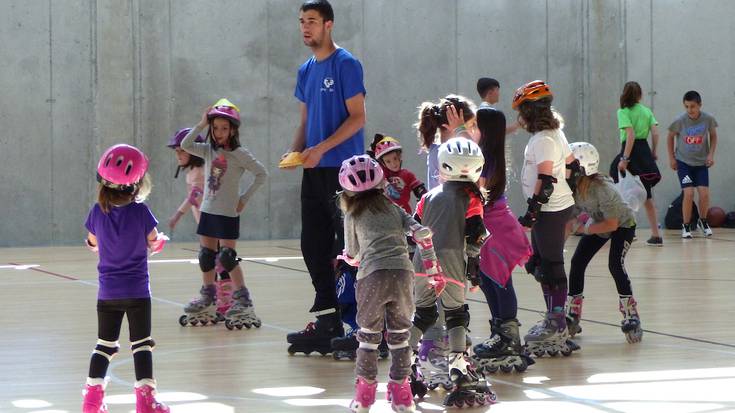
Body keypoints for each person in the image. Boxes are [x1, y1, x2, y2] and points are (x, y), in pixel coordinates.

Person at [284, 0, 367, 355]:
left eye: (312, 21)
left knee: (348, 249)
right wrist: (295, 152)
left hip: (344, 172)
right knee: (312, 245)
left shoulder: (346, 64)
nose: (306, 28)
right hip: (314, 170)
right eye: (302, 21)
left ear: (328, 25)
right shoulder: (305, 69)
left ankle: (360, 324)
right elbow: (305, 121)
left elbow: (357, 117)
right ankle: (328, 320)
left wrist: (323, 148)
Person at [409, 137, 496, 408]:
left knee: (423, 315)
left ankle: (405, 365)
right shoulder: (470, 198)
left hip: (422, 264)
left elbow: (415, 230)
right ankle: (458, 368)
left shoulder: (427, 196)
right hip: (452, 263)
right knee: (456, 315)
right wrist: (474, 270)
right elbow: (476, 235)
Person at [82, 144, 169, 413]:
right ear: (136, 185)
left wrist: (100, 244)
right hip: (138, 292)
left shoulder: (97, 212)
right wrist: (158, 243)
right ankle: (146, 402)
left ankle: (92, 400)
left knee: (104, 345)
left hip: (107, 292)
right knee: (141, 344)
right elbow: (153, 240)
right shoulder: (142, 212)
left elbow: (92, 242)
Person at [338, 155, 420, 412]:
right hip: (403, 275)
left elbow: (352, 253)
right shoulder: (393, 206)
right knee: (399, 337)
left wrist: (349, 258)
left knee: (369, 337)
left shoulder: (352, 214)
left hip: (372, 276)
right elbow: (413, 226)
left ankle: (364, 396)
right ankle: (401, 394)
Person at [179, 100, 268, 330]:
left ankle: (243, 301)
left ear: (233, 130)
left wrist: (243, 200)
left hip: (228, 213)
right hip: (208, 211)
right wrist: (201, 123)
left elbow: (261, 174)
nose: (219, 133)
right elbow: (186, 143)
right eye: (215, 128)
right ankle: (208, 298)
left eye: (224, 128)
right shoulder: (208, 150)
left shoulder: (239, 154)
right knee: (206, 257)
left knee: (227, 257)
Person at [515, 80, 579, 357]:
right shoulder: (555, 133)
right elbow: (572, 167)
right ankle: (556, 320)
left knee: (551, 265)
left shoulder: (543, 139)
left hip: (549, 210)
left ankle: (557, 324)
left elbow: (546, 178)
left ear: (529, 112)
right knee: (541, 264)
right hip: (554, 207)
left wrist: (533, 210)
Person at [467, 107, 535, 374]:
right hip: (489, 224)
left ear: (485, 130)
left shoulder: (485, 159)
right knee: (486, 280)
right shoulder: (485, 155)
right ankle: (500, 331)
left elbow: (476, 193)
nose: (470, 129)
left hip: (495, 226)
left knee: (500, 280)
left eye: (474, 125)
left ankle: (509, 336)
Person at [566, 142, 643, 344]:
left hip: (623, 225)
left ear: (582, 168)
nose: (564, 168)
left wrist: (584, 229)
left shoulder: (602, 189)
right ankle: (572, 312)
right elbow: (568, 221)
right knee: (577, 262)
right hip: (600, 222)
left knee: (615, 264)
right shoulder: (573, 187)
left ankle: (630, 314)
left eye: (569, 164)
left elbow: (612, 224)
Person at [166, 129, 234, 316]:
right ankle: (212, 296)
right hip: (207, 225)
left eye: (182, 151)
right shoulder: (194, 171)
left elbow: (195, 196)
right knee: (210, 260)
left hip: (215, 224)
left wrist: (177, 215)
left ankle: (226, 299)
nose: (178, 155)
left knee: (220, 261)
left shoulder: (201, 172)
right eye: (177, 151)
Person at [614, 81, 663, 246]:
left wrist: (625, 159)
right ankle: (656, 235)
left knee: (622, 193)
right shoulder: (646, 111)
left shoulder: (623, 111)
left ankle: (629, 232)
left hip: (631, 152)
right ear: (640, 95)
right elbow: (656, 133)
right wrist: (654, 152)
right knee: (646, 195)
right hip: (645, 153)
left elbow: (630, 135)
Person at [666, 90, 719, 238]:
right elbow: (670, 137)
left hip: (701, 163)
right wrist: (671, 158)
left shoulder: (708, 119)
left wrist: (711, 154)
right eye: (687, 106)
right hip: (684, 162)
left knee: (704, 193)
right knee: (688, 193)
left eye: (693, 106)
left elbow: (714, 136)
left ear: (700, 105)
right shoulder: (679, 120)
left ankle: (703, 221)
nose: (690, 110)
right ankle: (686, 225)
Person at [417, 95, 478, 189]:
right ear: (452, 126)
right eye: (470, 126)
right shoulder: (446, 153)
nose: (472, 131)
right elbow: (475, 158)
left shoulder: (437, 150)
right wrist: (461, 130)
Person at [369, 134, 427, 214]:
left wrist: (423, 195)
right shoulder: (383, 174)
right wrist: (371, 152)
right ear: (383, 163)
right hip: (386, 213)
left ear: (400, 157)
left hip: (404, 213)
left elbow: (418, 188)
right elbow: (370, 166)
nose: (393, 164)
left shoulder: (407, 174)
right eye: (388, 161)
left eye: (395, 158)